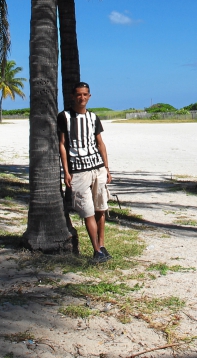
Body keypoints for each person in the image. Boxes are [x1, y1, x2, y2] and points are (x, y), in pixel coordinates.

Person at [58, 82, 112, 263]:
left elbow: (100, 143)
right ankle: (96, 250)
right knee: (88, 210)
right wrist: (66, 171)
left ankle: (102, 246)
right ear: (73, 96)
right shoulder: (64, 116)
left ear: (89, 96)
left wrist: (107, 168)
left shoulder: (93, 117)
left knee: (101, 208)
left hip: (97, 167)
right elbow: (62, 145)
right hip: (79, 170)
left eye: (85, 94)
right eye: (79, 94)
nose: (82, 98)